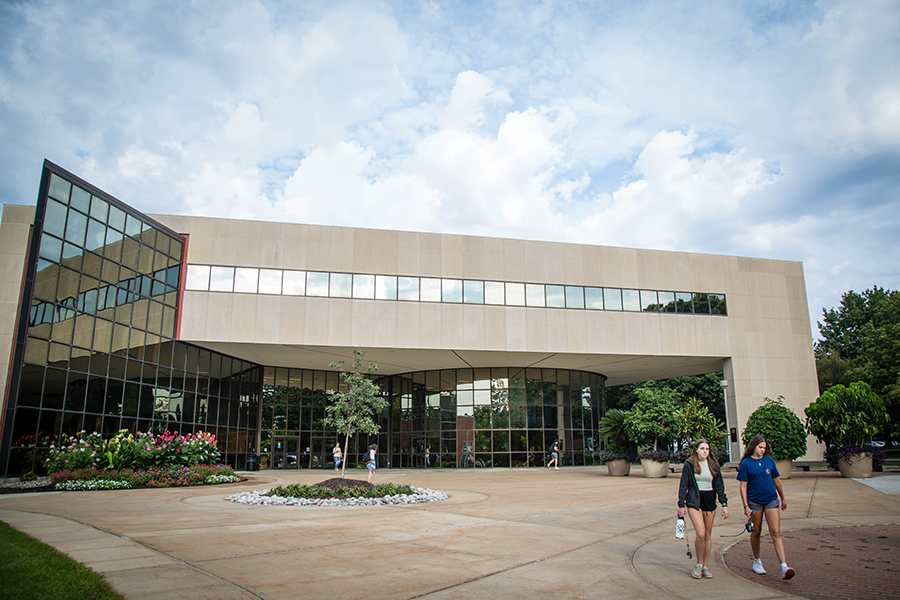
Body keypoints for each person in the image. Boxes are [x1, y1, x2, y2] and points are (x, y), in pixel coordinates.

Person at [737, 435, 795, 580]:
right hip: (754, 501)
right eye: (760, 447)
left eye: (764, 448)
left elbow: (777, 481)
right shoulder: (746, 463)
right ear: (753, 447)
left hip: (771, 500)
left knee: (776, 531)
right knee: (756, 532)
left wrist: (783, 498)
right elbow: (743, 486)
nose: (762, 450)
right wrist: (745, 506)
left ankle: (784, 566)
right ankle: (757, 561)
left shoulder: (769, 461)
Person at [677, 439, 729, 579]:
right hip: (694, 500)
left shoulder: (713, 465)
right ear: (696, 450)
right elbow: (683, 485)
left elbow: (719, 486)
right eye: (702, 448)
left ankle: (706, 566)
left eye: (707, 449)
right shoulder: (690, 465)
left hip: (709, 500)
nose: (705, 451)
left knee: (707, 535)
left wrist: (724, 504)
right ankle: (698, 564)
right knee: (700, 533)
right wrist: (681, 504)